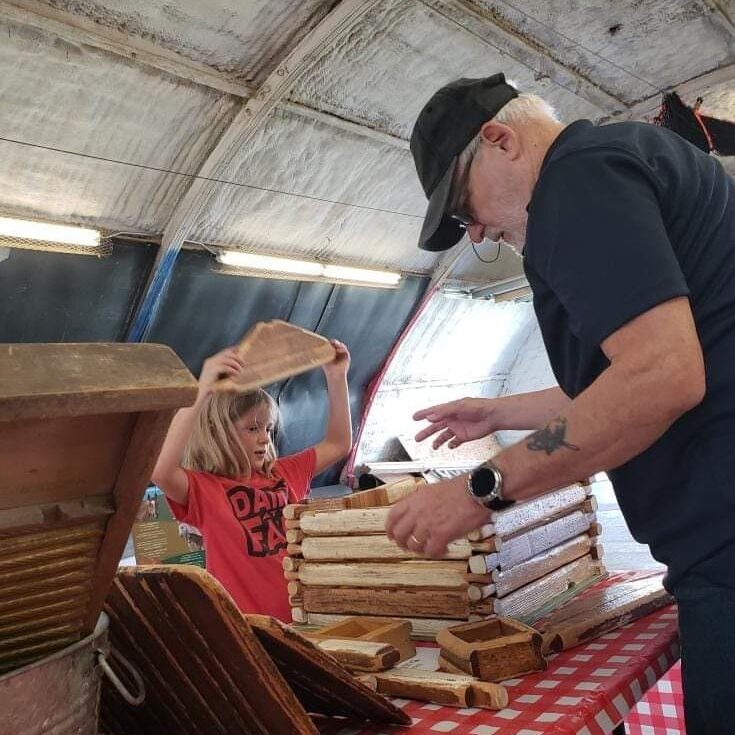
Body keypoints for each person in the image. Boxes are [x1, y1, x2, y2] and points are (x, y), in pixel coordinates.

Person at [386, 73, 735, 733]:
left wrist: (476, 490)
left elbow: (661, 377)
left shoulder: (574, 185)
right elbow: (622, 381)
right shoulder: (621, 159)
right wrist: (496, 413)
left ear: (499, 140)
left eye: (464, 208)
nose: (478, 233)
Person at [151, 339, 352, 621]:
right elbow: (159, 470)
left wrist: (336, 376)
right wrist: (204, 388)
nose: (264, 438)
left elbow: (339, 443)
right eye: (252, 428)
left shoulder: (284, 472)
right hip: (255, 631)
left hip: (311, 620)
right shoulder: (206, 490)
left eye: (268, 429)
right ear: (219, 430)